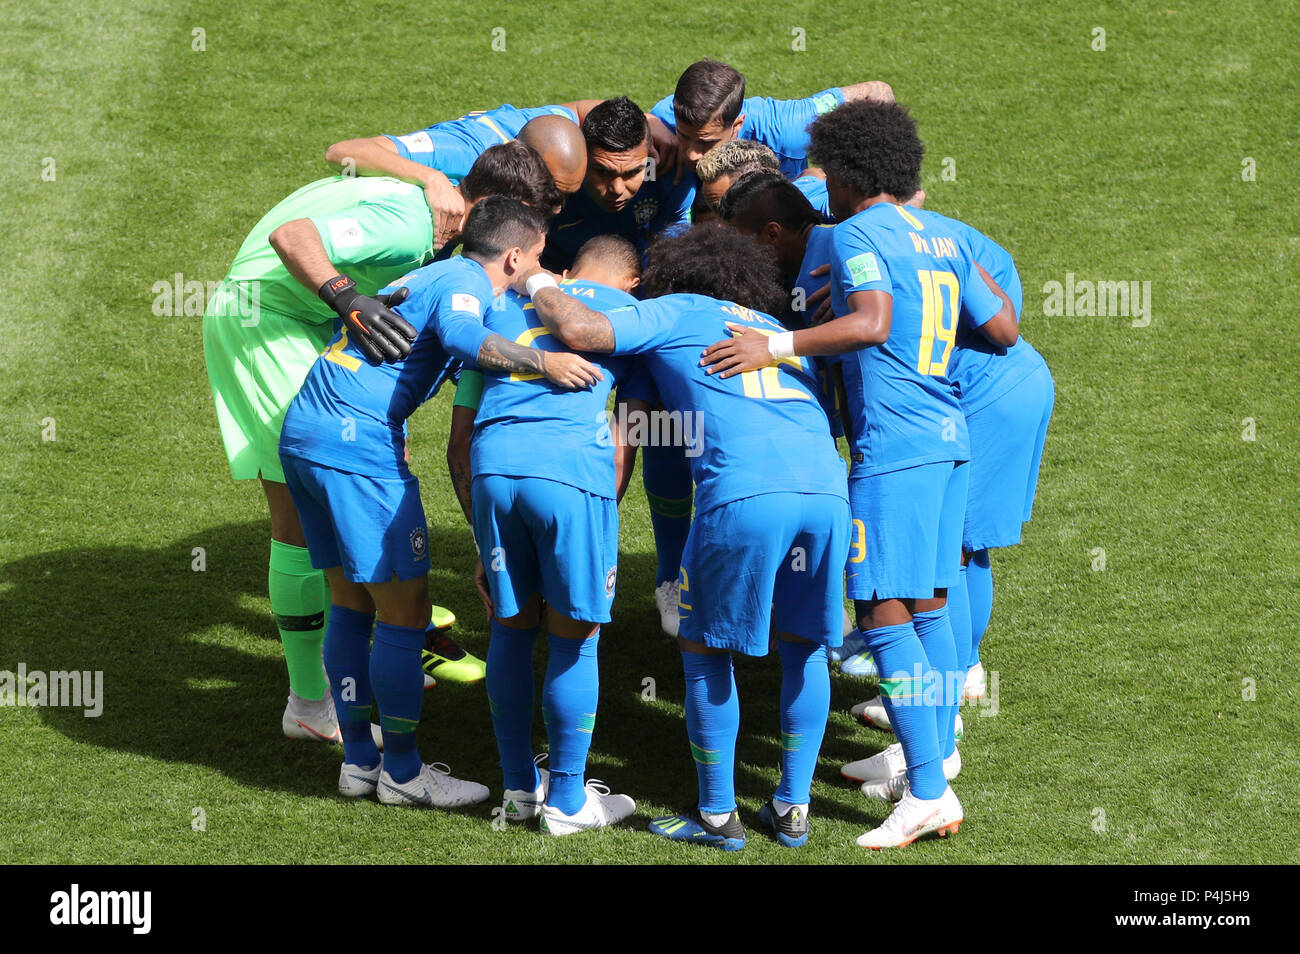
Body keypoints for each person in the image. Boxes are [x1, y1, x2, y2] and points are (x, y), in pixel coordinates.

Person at [700, 100, 1018, 848]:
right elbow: (1002, 329)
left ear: (843, 173)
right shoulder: (940, 233)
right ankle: (929, 761)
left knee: (880, 613)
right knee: (931, 609)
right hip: (950, 438)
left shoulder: (855, 234)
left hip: (896, 447)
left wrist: (773, 347)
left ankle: (930, 791)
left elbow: (871, 321)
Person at [202, 142, 559, 744]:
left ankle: (391, 632)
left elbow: (345, 154)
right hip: (263, 323)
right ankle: (313, 701)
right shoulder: (411, 219)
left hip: (300, 325)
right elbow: (292, 236)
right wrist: (346, 296)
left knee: (341, 479)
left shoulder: (433, 213)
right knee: (299, 510)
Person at [515, 222, 850, 851]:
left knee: (703, 651)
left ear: (673, 274)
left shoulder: (679, 309)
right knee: (804, 648)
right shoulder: (778, 332)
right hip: (829, 494)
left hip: (745, 493)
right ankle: (792, 808)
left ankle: (717, 816)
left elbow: (584, 331)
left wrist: (537, 279)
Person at [277, 196, 603, 806]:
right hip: (357, 447)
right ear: (513, 256)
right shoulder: (461, 281)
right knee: (405, 612)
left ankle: (358, 762)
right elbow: (463, 337)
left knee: (349, 602)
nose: (537, 275)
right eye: (535, 261)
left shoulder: (428, 271)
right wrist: (544, 360)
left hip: (306, 432)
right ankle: (402, 774)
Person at [458, 235, 646, 835]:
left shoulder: (501, 308)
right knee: (575, 638)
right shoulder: (632, 318)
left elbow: (457, 443)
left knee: (510, 631)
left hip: (494, 469)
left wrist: (483, 540)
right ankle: (566, 800)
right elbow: (624, 443)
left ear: (565, 271)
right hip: (570, 474)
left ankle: (517, 791)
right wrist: (595, 527)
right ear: (634, 283)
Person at [326, 104, 589, 246]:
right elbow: (342, 152)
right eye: (552, 193)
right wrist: (432, 178)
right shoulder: (461, 151)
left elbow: (580, 109)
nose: (556, 210)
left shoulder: (552, 126)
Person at [647, 59, 894, 179]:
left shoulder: (790, 127)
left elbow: (877, 92)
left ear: (737, 125)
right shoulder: (664, 118)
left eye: (705, 143)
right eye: (684, 136)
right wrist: (647, 121)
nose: (691, 153)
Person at [541, 97, 695, 271]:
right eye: (603, 172)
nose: (617, 189)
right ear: (582, 157)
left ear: (650, 156)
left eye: (633, 172)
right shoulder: (554, 179)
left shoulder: (665, 175)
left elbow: (667, 253)